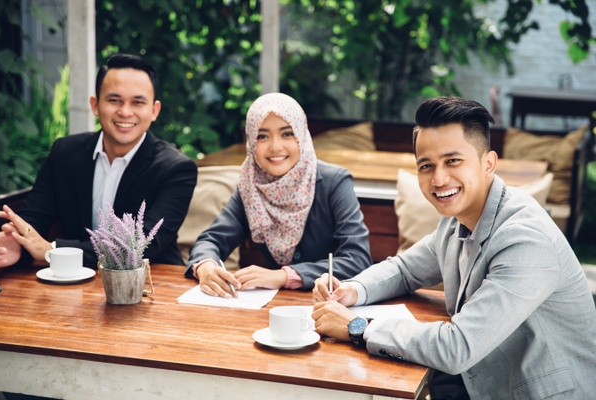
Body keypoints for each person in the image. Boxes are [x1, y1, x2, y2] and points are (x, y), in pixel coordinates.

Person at [311, 96, 596, 399]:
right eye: (426, 165)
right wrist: (351, 290)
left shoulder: (526, 239)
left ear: (488, 163)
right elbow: (405, 269)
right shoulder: (456, 220)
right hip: (476, 380)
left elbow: (457, 347)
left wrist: (357, 326)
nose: (438, 178)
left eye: (452, 161)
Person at [0, 53, 197, 270]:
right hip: (73, 283)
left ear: (154, 110)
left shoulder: (176, 168)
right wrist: (15, 241)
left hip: (151, 286)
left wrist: (53, 251)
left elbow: (141, 246)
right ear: (95, 105)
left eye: (137, 102)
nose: (125, 112)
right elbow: (35, 217)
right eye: (114, 100)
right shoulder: (65, 152)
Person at [186, 92, 371, 296]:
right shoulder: (251, 184)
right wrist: (206, 267)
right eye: (262, 136)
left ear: (301, 136)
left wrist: (284, 276)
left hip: (331, 304)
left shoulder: (334, 181)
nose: (275, 147)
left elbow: (358, 258)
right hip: (275, 307)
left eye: (287, 133)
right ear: (251, 143)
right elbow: (211, 240)